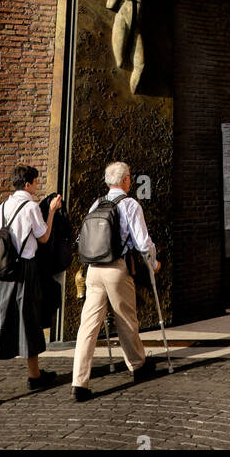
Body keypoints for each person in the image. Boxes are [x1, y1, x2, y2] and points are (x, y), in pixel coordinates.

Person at [0, 164, 63, 410]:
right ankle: (34, 376)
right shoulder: (31, 206)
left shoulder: (1, 208)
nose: (37, 187)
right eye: (35, 183)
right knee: (28, 318)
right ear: (29, 184)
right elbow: (43, 237)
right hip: (23, 272)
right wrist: (51, 211)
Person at [71, 161, 160, 401]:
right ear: (126, 180)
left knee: (88, 326)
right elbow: (142, 243)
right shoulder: (130, 205)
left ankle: (79, 381)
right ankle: (137, 364)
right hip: (115, 269)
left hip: (93, 270)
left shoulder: (96, 203)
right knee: (126, 319)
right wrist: (153, 264)